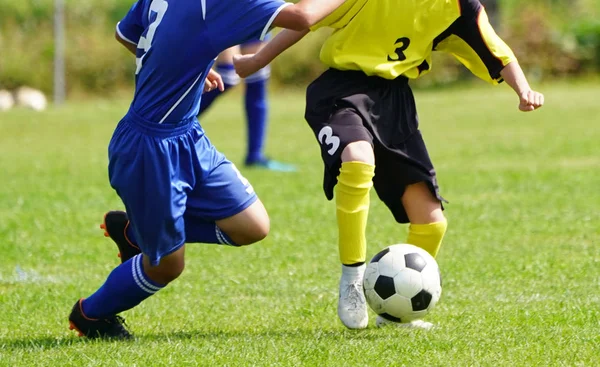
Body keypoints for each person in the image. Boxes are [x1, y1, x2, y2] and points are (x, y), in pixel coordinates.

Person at [233, 0, 544, 330]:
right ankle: (352, 280)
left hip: (394, 104)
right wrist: (257, 59)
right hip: (340, 92)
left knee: (431, 222)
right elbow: (305, 21)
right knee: (357, 159)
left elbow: (496, 51)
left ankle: (395, 314)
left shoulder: (458, 7)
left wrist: (523, 90)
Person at [67, 0, 346, 339]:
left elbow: (126, 34)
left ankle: (135, 233)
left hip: (187, 135)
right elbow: (303, 17)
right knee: (168, 266)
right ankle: (91, 315)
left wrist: (191, 62)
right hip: (149, 151)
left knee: (252, 226)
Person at [199, 42, 296, 172]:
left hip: (256, 21)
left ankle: (255, 155)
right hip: (227, 20)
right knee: (228, 75)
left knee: (257, 77)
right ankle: (170, 121)